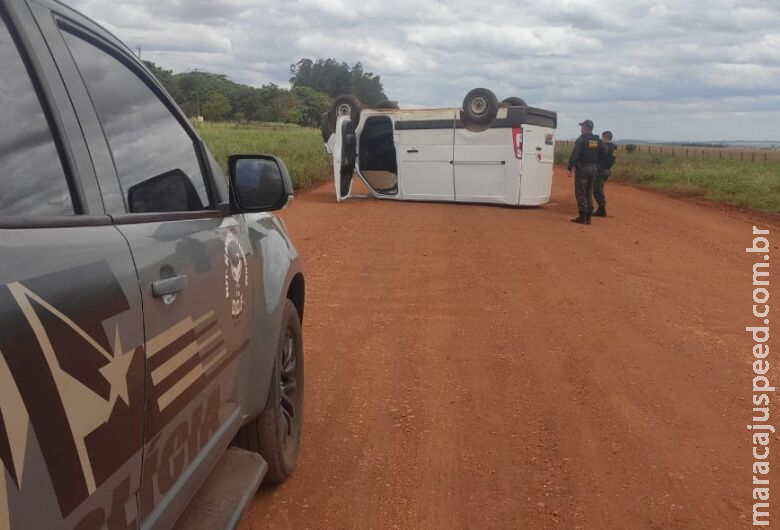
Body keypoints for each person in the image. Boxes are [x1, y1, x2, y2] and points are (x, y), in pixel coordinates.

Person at [567, 119, 603, 225]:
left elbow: (575, 155)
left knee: (581, 192)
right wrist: (597, 166)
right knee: (589, 191)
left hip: (583, 168)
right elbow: (603, 155)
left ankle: (582, 217)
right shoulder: (598, 140)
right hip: (593, 169)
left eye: (582, 126)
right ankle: (588, 217)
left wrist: (571, 167)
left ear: (585, 128)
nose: (581, 129)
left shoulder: (582, 139)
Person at [593, 131, 617, 217]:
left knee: (597, 189)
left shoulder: (607, 147)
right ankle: (601, 209)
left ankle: (602, 209)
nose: (601, 139)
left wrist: (599, 167)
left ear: (605, 137)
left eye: (602, 137)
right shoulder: (614, 147)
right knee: (599, 188)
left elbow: (608, 161)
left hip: (602, 170)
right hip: (606, 170)